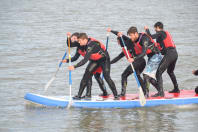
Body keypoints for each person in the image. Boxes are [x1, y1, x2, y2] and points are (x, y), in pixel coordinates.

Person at [68, 33, 119, 100]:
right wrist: (68, 37)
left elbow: (85, 60)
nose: (79, 42)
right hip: (95, 60)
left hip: (104, 60)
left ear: (84, 40)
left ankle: (116, 96)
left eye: (79, 41)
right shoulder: (84, 44)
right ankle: (79, 95)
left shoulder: (90, 45)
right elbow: (71, 45)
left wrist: (74, 66)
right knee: (86, 75)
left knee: (106, 77)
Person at [63, 32, 108, 98]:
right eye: (73, 39)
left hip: (100, 60)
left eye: (75, 38)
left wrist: (74, 66)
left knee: (96, 76)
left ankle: (104, 93)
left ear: (80, 39)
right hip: (93, 61)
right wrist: (67, 60)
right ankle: (88, 94)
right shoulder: (79, 47)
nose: (74, 40)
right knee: (89, 76)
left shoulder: (86, 45)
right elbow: (73, 54)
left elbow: (85, 60)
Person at [123, 26, 162, 98]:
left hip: (156, 56)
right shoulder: (136, 39)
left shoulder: (144, 39)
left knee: (146, 75)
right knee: (148, 76)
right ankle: (160, 91)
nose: (131, 37)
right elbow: (126, 40)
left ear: (135, 33)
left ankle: (146, 94)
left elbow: (143, 53)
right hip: (151, 57)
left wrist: (133, 59)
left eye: (131, 35)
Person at [107, 28, 146, 97]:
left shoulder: (129, 42)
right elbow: (117, 58)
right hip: (141, 62)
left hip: (139, 61)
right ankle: (145, 92)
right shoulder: (125, 50)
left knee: (124, 75)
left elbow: (121, 35)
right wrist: (109, 63)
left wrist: (115, 33)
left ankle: (123, 93)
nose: (118, 43)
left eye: (118, 42)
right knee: (137, 75)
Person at [145, 22, 179, 97]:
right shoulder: (162, 36)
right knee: (170, 71)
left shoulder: (161, 32)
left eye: (155, 28)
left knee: (159, 72)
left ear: (157, 27)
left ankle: (161, 93)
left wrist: (147, 30)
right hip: (174, 54)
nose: (155, 30)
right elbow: (163, 50)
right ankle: (176, 88)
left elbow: (150, 36)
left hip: (170, 54)